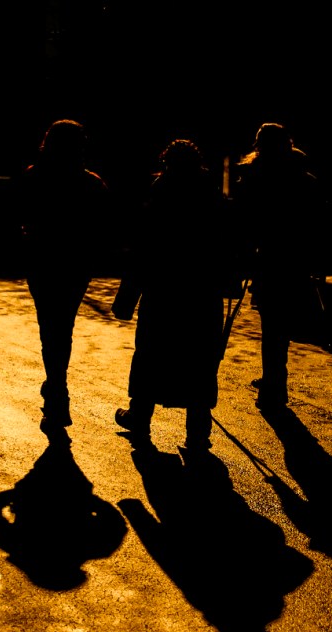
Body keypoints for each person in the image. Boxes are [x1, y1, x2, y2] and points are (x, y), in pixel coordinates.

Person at [111, 139, 235, 453]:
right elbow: (229, 247)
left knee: (152, 354)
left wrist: (127, 299)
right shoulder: (215, 200)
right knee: (200, 358)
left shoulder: (158, 196)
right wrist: (230, 282)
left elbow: (142, 251)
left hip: (162, 290)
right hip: (202, 293)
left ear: (167, 163)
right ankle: (197, 431)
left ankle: (139, 417)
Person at [17, 119, 112, 436]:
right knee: (64, 326)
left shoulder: (35, 176)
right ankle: (56, 388)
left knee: (50, 326)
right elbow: (103, 229)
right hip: (76, 263)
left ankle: (56, 391)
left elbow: (21, 216)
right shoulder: (93, 184)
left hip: (43, 259)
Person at [230, 122, 326, 412]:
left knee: (272, 321)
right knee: (279, 320)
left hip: (269, 257)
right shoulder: (304, 178)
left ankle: (274, 383)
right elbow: (318, 220)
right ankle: (274, 378)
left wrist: (243, 253)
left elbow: (244, 220)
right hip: (296, 257)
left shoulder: (255, 177)